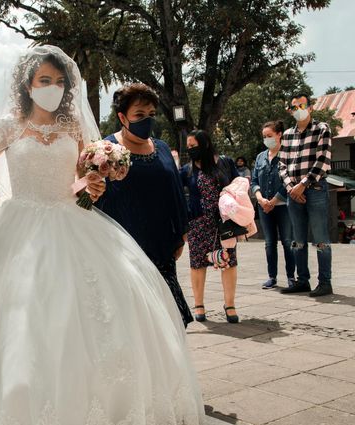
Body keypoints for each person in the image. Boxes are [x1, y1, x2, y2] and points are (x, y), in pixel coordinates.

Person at [0, 45, 203, 425]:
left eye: (59, 82)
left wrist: (92, 181)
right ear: (27, 86)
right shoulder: (8, 125)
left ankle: (110, 413)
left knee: (106, 310)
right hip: (19, 224)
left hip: (73, 221)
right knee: (21, 318)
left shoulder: (74, 123)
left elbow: (78, 180)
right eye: (44, 81)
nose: (52, 89)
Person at [96, 83, 192, 327]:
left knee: (168, 318)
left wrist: (180, 234)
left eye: (151, 115)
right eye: (139, 115)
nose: (147, 120)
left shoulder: (160, 148)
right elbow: (95, 197)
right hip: (125, 246)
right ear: (122, 117)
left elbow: (175, 191)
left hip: (162, 245)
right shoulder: (106, 149)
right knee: (136, 320)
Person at [181, 130, 240, 323]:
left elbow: (238, 185)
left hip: (224, 222)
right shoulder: (187, 170)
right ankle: (199, 304)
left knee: (229, 261)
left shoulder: (224, 162)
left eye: (193, 146)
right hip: (197, 223)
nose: (190, 150)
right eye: (188, 147)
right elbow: (176, 191)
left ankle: (229, 304)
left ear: (205, 144)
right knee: (197, 263)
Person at [279, 92, 333, 297]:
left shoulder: (322, 129)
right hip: (293, 192)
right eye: (294, 107)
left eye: (302, 106)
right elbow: (282, 164)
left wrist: (303, 184)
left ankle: (325, 282)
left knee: (320, 238)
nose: (298, 111)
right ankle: (302, 280)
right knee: (297, 239)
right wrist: (290, 187)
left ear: (310, 107)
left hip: (315, 189)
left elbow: (323, 161)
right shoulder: (287, 135)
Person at [251, 120, 296, 289]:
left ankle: (291, 277)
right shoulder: (260, 157)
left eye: (269, 136)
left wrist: (275, 200)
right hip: (264, 206)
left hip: (283, 205)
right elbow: (254, 181)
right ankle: (272, 277)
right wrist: (260, 198)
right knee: (269, 243)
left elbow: (289, 181)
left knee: (287, 241)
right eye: (264, 137)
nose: (267, 139)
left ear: (279, 135)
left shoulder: (287, 154)